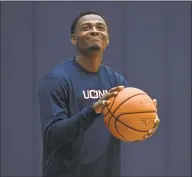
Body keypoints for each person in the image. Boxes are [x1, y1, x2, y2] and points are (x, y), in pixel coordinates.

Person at [38, 11, 160, 177]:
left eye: (100, 28)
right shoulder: (56, 80)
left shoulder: (116, 81)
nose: (94, 31)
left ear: (107, 39)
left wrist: (143, 126)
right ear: (74, 38)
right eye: (86, 27)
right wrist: (92, 111)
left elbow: (122, 126)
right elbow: (52, 135)